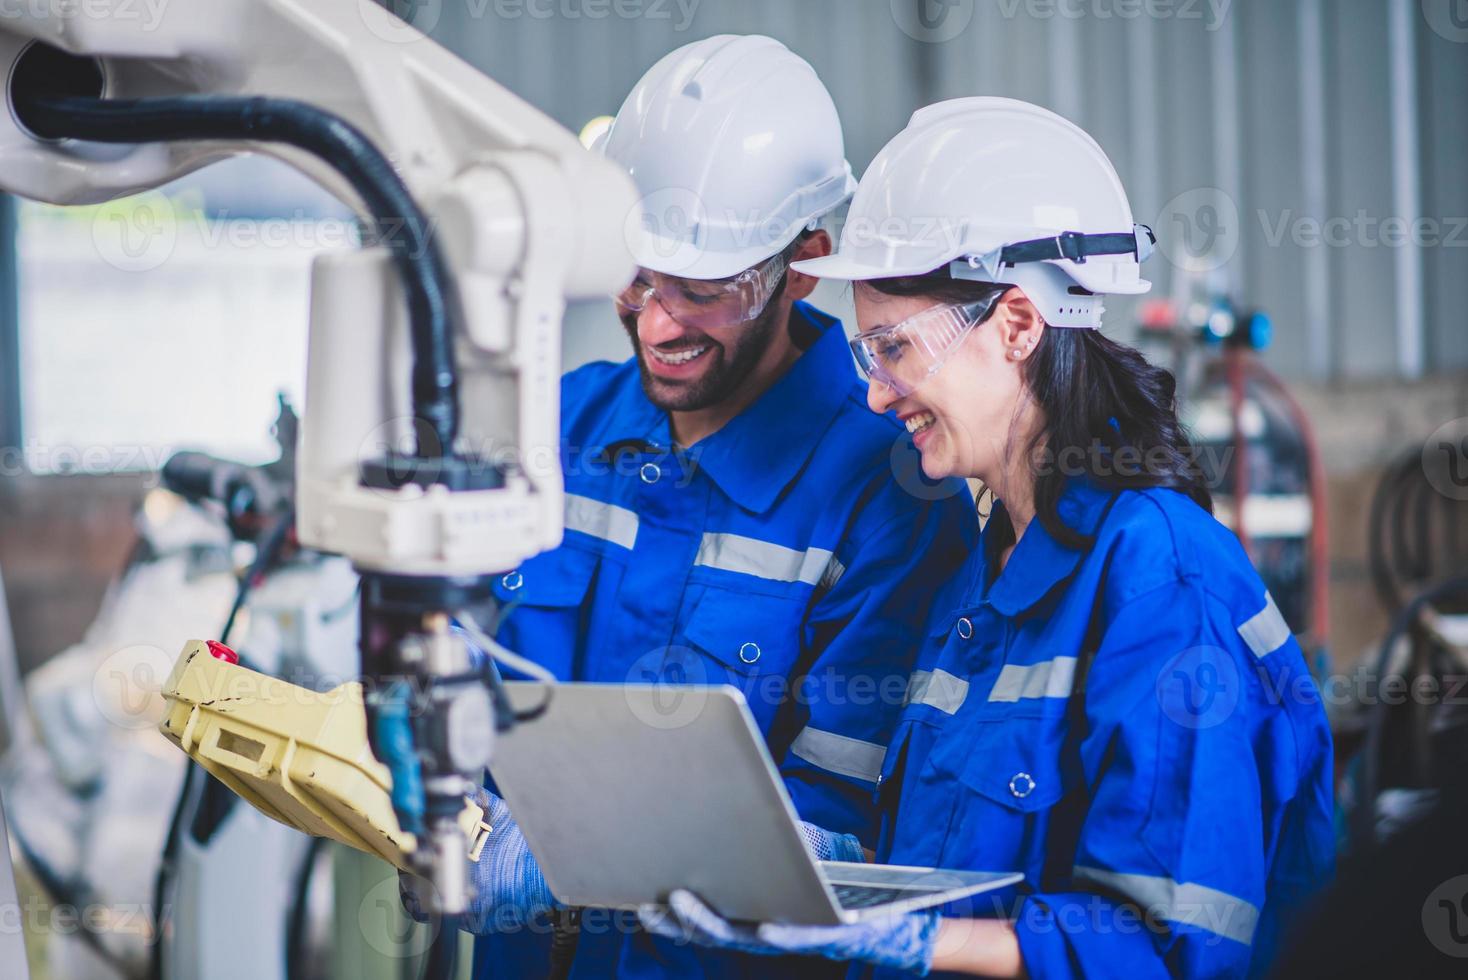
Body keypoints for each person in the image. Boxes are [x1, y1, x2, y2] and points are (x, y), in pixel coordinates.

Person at [636, 97, 1336, 978]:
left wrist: (916, 941)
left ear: (1016, 323)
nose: (878, 395)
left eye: (892, 349)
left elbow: (1170, 944)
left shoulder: (1162, 577)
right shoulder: (980, 573)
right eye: (866, 354)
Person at [437, 38, 979, 980]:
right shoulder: (557, 425)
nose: (655, 324)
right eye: (637, 276)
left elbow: (846, 845)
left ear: (805, 263)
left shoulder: (891, 495)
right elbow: (440, 669)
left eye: (702, 289)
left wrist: (581, 862)